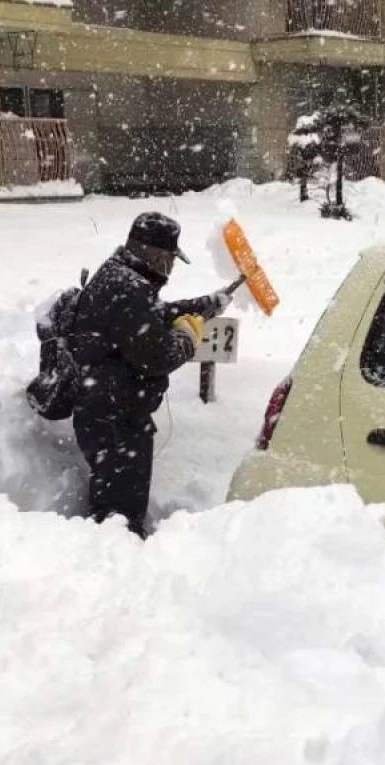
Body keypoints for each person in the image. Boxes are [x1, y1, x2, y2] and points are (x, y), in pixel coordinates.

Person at [69, 212, 234, 538]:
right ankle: (118, 557)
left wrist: (204, 305)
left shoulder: (121, 277)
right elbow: (157, 357)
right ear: (156, 254)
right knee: (118, 518)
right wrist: (188, 338)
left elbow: (153, 316)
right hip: (115, 420)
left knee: (116, 508)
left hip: (110, 411)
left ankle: (116, 546)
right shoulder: (128, 289)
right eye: (171, 259)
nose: (171, 267)